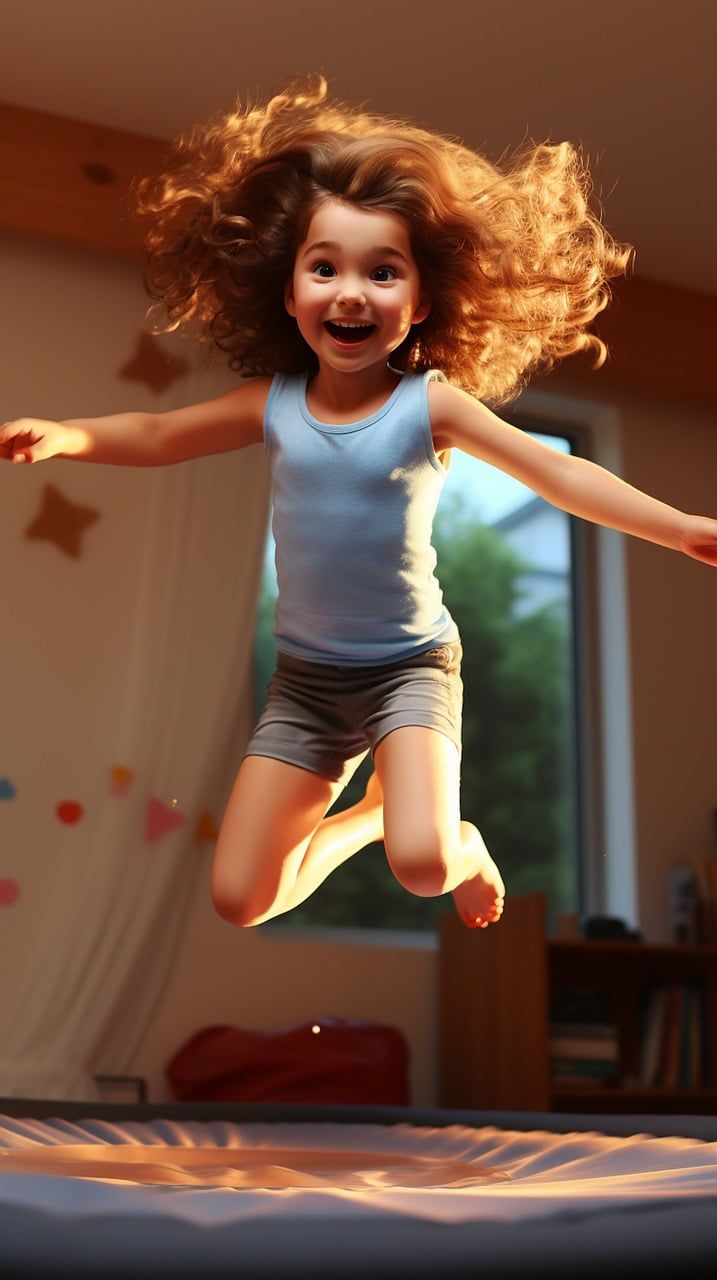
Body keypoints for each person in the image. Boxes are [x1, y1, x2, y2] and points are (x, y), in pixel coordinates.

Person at [3, 75, 716, 936]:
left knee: (425, 867)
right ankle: (375, 813)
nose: (350, 292)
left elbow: (556, 478)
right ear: (289, 291)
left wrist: (679, 528)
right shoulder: (272, 405)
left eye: (382, 272)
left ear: (419, 302)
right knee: (242, 899)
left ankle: (459, 844)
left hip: (407, 668)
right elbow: (158, 435)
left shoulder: (429, 407)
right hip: (304, 684)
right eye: (325, 268)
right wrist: (69, 436)